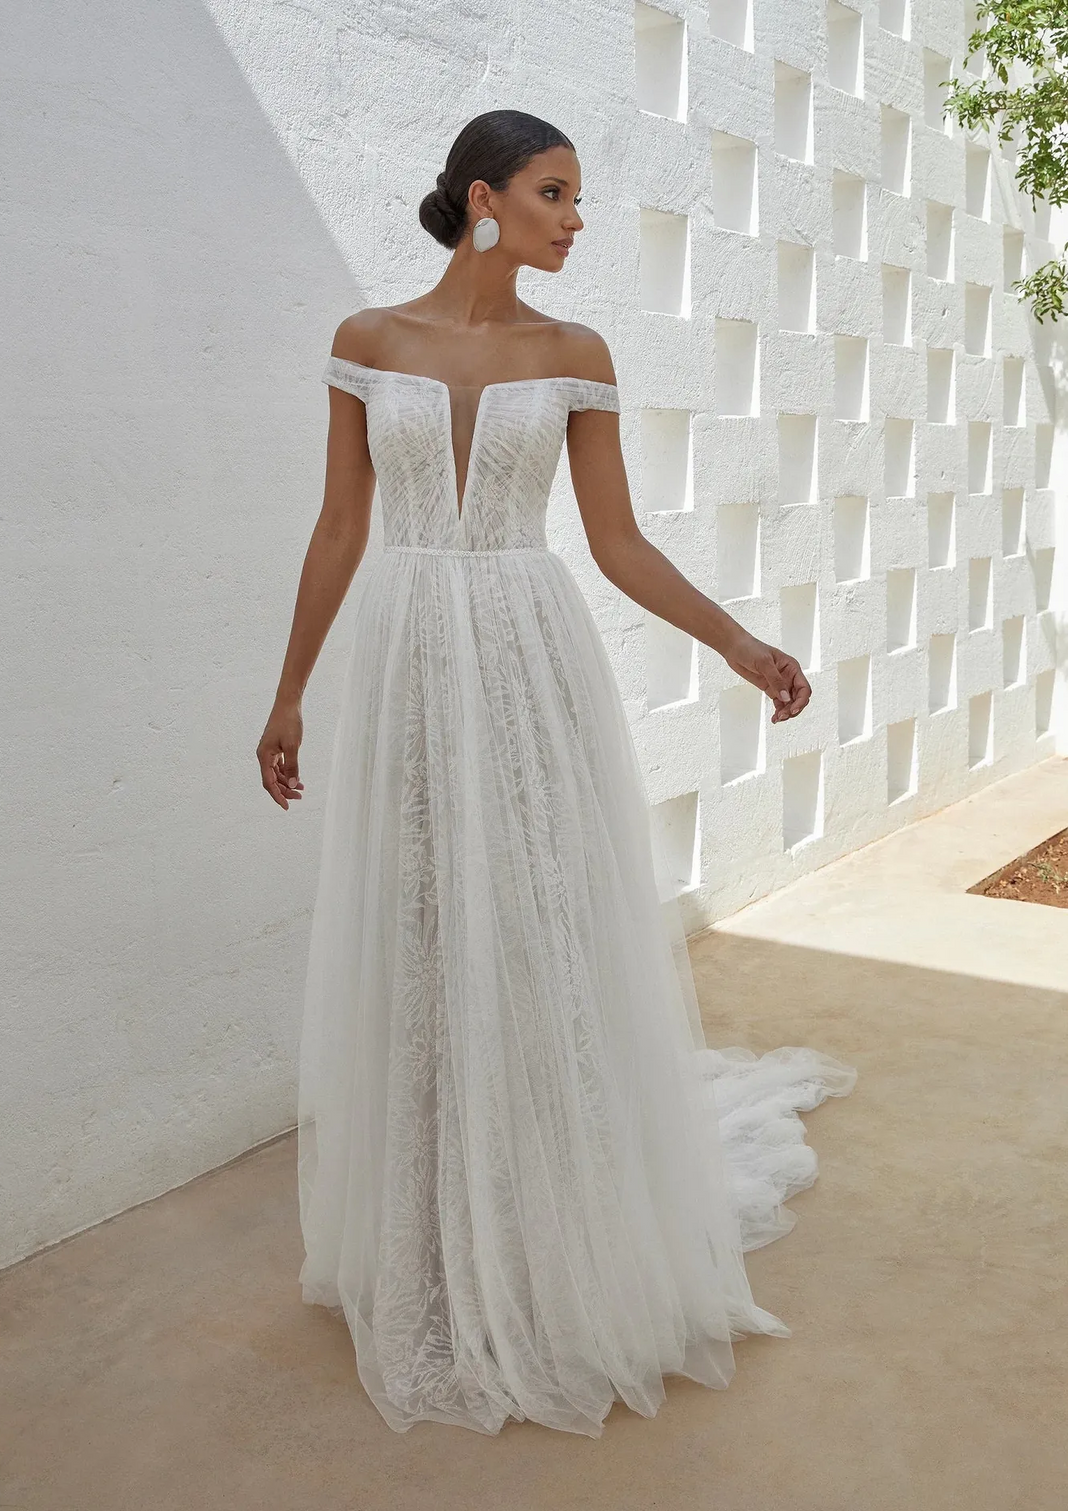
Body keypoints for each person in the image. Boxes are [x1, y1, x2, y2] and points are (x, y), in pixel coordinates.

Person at [257, 108, 858, 1438]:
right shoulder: (368, 342)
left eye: (576, 197)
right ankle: (430, 1222)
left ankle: (544, 1221)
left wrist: (741, 645)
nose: (576, 219)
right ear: (485, 200)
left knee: (534, 918)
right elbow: (342, 525)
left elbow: (617, 541)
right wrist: (289, 690)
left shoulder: (576, 354)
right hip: (408, 655)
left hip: (529, 654)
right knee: (422, 920)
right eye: (554, 192)